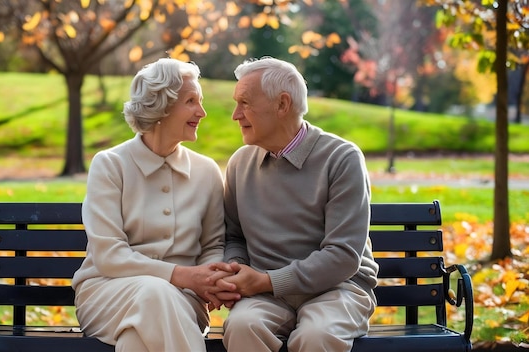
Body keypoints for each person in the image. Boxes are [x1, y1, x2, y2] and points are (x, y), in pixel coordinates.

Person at [208, 57, 379, 352]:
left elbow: (343, 256)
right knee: (240, 326)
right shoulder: (240, 163)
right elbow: (235, 236)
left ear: (282, 105)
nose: (236, 115)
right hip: (268, 295)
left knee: (316, 336)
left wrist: (264, 281)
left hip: (337, 289)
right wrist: (238, 269)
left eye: (245, 103)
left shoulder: (341, 158)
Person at [71, 58, 237, 352]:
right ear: (162, 106)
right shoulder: (111, 165)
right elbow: (109, 256)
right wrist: (184, 275)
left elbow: (213, 245)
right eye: (191, 101)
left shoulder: (207, 171)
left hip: (185, 301)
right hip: (107, 295)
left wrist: (210, 279)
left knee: (135, 341)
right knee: (155, 292)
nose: (202, 112)